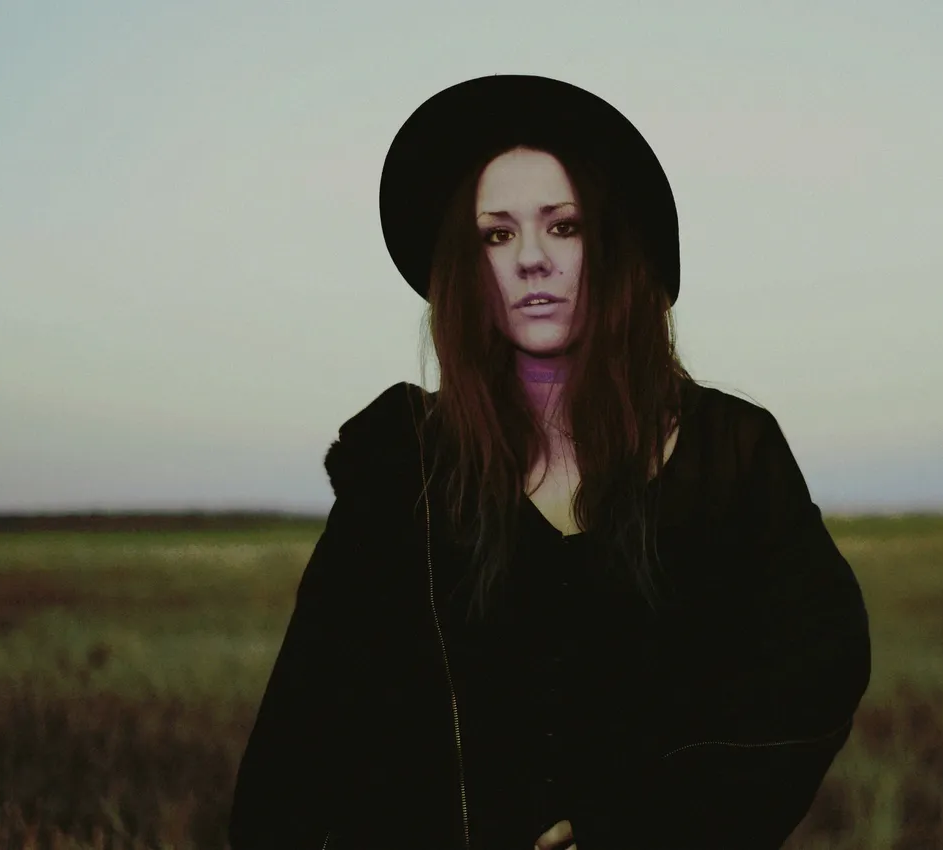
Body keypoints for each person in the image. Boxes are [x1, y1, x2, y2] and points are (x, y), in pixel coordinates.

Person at [227, 74, 871, 850]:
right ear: (468, 267)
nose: (531, 259)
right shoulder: (406, 471)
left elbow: (814, 678)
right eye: (496, 234)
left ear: (614, 245)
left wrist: (644, 825)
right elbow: (302, 738)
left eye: (563, 227)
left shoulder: (732, 454)